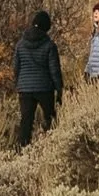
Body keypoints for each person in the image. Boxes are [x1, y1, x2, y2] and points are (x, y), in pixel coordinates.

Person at [13, 9, 64, 146]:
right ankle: (52, 145)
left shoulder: (20, 44)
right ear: (46, 27)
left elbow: (16, 68)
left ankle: (22, 149)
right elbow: (55, 70)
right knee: (50, 117)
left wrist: (19, 84)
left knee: (26, 120)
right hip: (44, 87)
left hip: (24, 88)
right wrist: (59, 89)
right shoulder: (49, 45)